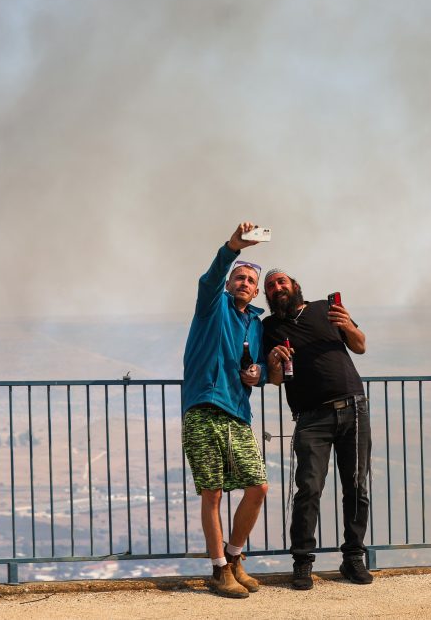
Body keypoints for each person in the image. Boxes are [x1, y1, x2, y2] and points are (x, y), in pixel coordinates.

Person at [262, 269, 373, 590]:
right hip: (310, 417)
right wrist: (273, 361)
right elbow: (276, 380)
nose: (277, 287)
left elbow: (361, 346)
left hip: (353, 407)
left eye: (282, 282)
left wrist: (348, 325)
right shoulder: (269, 327)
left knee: (356, 486)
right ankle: (302, 563)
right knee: (308, 488)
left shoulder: (326, 309)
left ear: (295, 286)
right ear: (267, 296)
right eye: (271, 286)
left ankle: (353, 558)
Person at [181, 222, 270, 599]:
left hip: (237, 412)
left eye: (250, 280)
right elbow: (210, 278)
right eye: (239, 278)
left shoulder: (256, 323)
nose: (244, 283)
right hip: (203, 407)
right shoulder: (211, 305)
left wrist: (258, 374)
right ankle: (219, 569)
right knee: (213, 493)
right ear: (230, 282)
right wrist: (233, 247)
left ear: (255, 289)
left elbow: (262, 367)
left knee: (258, 486)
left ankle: (234, 558)